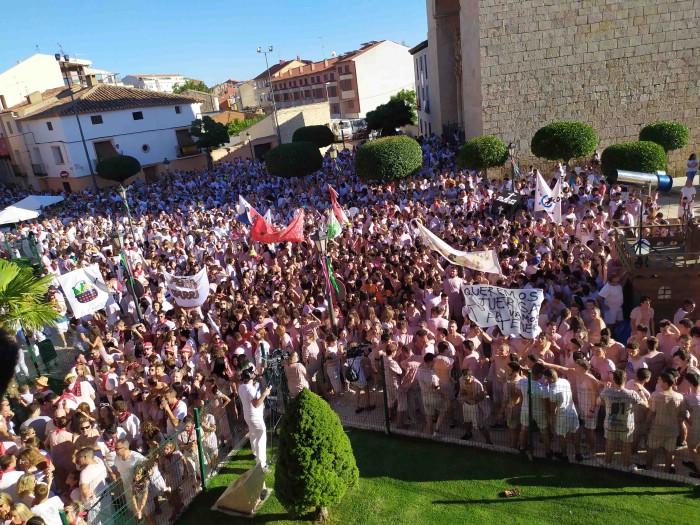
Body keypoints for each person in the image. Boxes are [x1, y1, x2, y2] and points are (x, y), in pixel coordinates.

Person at [598, 369, 645, 471]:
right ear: (625, 379)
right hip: (626, 424)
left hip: (611, 423)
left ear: (614, 380)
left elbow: (598, 402)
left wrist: (606, 391)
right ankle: (625, 466)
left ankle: (607, 463)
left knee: (609, 445)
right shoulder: (631, 394)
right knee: (626, 447)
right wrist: (640, 390)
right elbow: (646, 404)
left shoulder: (606, 392)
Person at [645, 372, 685, 473]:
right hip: (673, 429)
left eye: (659, 380)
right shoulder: (679, 397)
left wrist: (646, 423)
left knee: (651, 449)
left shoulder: (656, 395)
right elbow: (682, 413)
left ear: (666, 383)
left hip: (657, 428)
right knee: (670, 451)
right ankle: (667, 470)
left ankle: (648, 468)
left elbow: (652, 412)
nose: (657, 381)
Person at [237, 370, 271, 469]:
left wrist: (256, 388)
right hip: (255, 417)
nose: (254, 375)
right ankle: (261, 464)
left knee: (253, 434)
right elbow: (256, 404)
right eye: (252, 375)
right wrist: (265, 394)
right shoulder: (250, 389)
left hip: (248, 416)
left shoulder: (241, 387)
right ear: (249, 378)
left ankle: (255, 453)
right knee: (261, 438)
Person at [544, 368, 579, 461]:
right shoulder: (565, 381)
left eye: (546, 379)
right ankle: (578, 454)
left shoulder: (553, 390)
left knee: (562, 435)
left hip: (562, 415)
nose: (546, 381)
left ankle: (564, 455)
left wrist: (551, 417)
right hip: (572, 411)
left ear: (550, 379)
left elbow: (553, 409)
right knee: (575, 432)